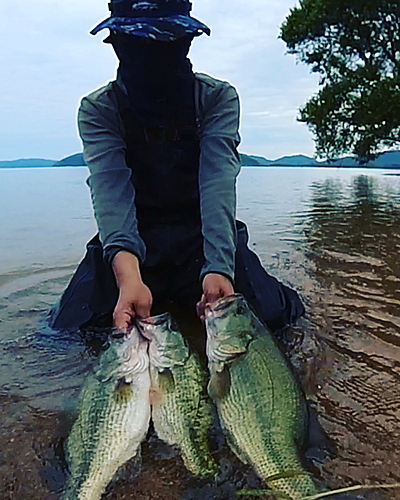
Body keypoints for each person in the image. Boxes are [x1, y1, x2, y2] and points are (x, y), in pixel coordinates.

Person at [49, 0, 304, 352]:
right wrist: (129, 280)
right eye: (141, 45)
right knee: (65, 331)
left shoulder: (216, 98)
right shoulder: (99, 110)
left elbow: (217, 186)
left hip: (201, 237)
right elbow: (111, 194)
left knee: (277, 316)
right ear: (117, 44)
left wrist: (219, 270)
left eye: (167, 44)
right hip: (133, 241)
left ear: (186, 41)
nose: (154, 57)